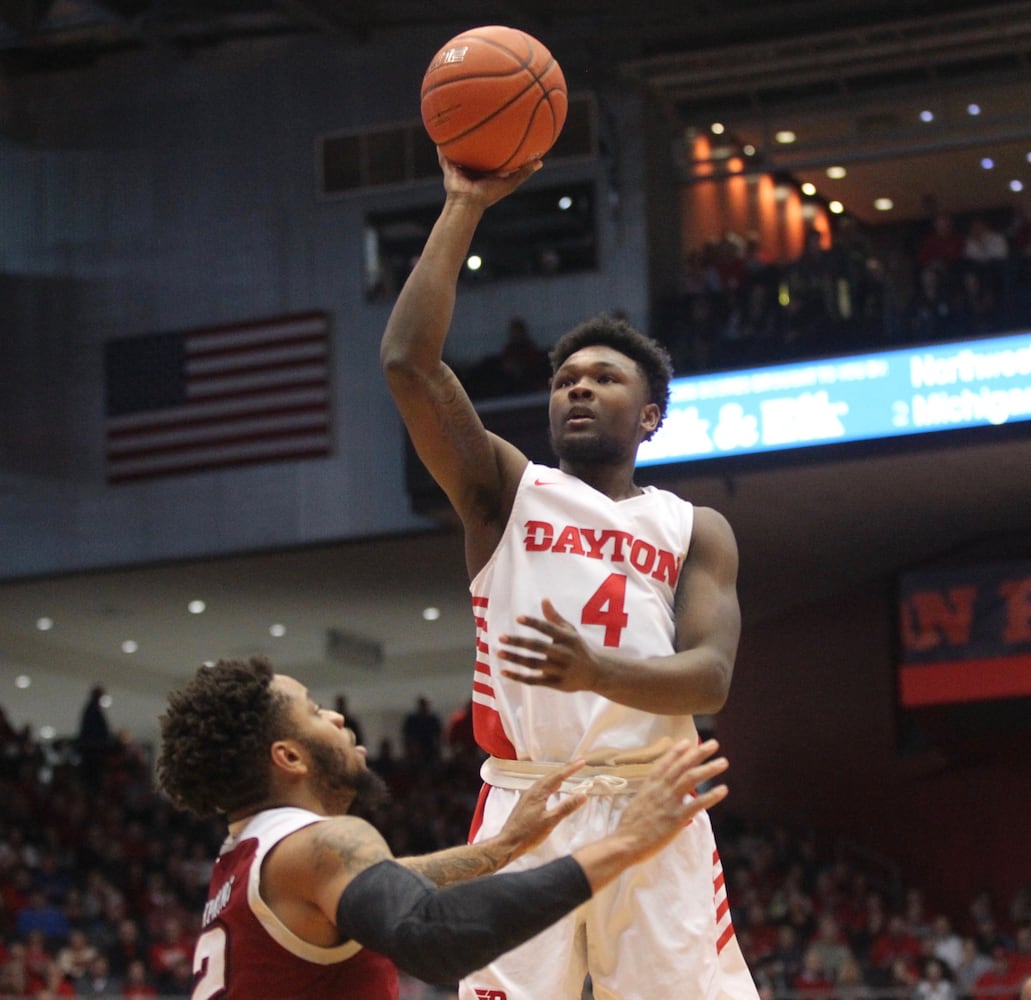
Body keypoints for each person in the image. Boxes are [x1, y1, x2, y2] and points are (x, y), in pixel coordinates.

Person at [380, 151, 755, 1000]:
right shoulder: (503, 491)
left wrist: (595, 671)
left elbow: (711, 678)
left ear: (649, 414)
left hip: (653, 802)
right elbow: (408, 361)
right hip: (525, 801)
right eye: (564, 380)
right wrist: (462, 204)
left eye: (604, 379)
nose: (577, 390)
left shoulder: (696, 527)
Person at [155, 656, 729, 1000]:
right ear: (290, 758)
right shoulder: (324, 844)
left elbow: (383, 886)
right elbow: (430, 937)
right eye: (313, 712)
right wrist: (626, 843)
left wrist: (501, 848)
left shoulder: (250, 857)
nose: (336, 717)